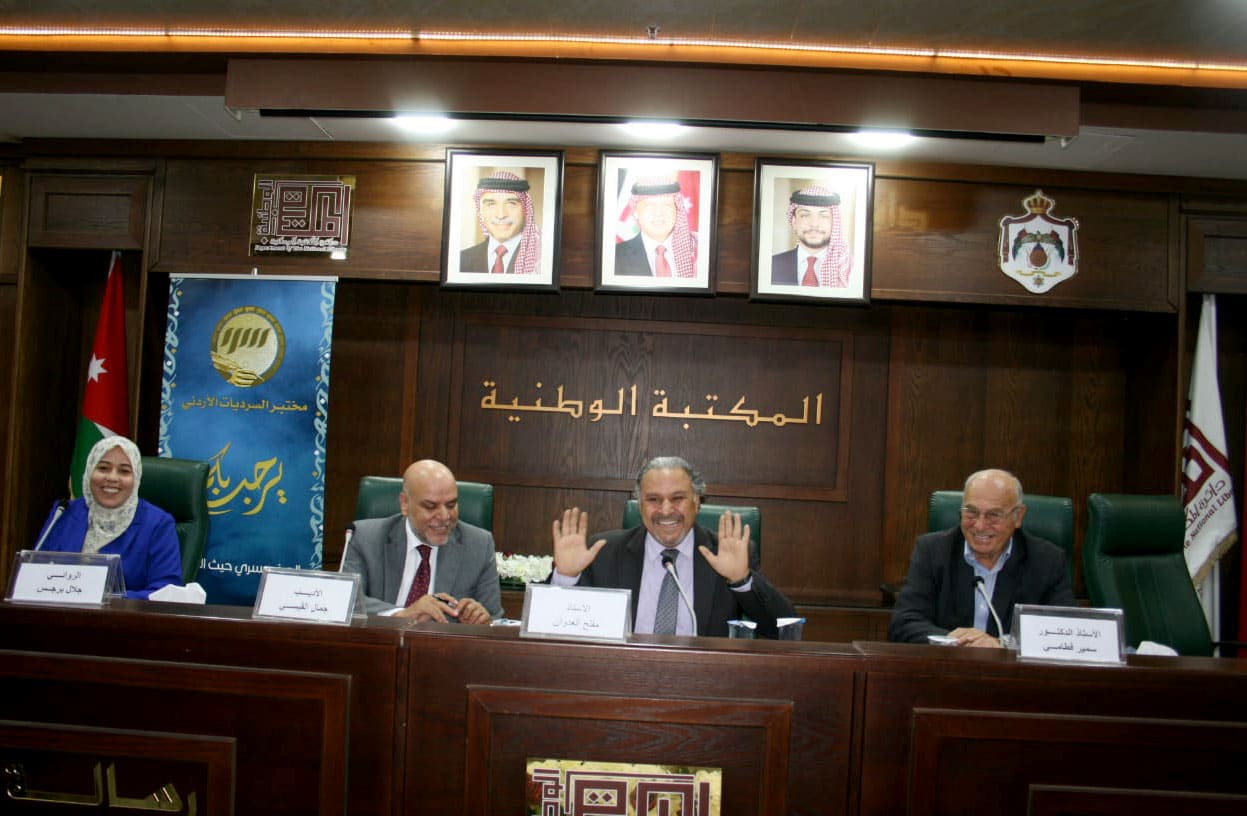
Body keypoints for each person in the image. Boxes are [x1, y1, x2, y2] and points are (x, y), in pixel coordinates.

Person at [549, 456, 795, 638]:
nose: (666, 510)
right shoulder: (603, 552)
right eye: (653, 499)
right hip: (621, 678)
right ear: (640, 504)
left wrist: (741, 581)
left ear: (697, 502)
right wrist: (565, 578)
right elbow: (549, 626)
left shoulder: (727, 555)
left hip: (702, 683)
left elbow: (785, 629)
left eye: (678, 498)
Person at [888, 468, 1076, 647]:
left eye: (994, 515)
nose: (979, 525)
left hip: (1011, 669)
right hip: (948, 665)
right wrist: (951, 640)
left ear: (1018, 516)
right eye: (971, 512)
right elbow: (903, 623)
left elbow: (1063, 633)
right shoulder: (932, 551)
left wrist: (1002, 644)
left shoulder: (1047, 561)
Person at [341, 459, 502, 622]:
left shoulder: (479, 545)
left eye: (451, 505)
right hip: (381, 637)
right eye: (431, 506)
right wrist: (401, 613)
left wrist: (482, 619)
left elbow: (495, 618)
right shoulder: (365, 537)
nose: (444, 516)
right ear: (405, 504)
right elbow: (345, 600)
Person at [34, 435, 183, 600]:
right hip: (59, 613)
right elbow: (35, 574)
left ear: (136, 478)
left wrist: (103, 598)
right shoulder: (64, 512)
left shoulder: (158, 524)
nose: (112, 478)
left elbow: (165, 592)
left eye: (124, 471)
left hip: (124, 615)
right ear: (89, 471)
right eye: (103, 468)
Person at [458, 171, 542, 275]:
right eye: (491, 204)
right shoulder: (461, 260)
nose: (501, 215)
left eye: (511, 203)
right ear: (480, 211)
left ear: (526, 210)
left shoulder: (541, 259)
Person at [614, 177, 698, 278]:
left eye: (666, 205)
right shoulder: (614, 256)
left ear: (677, 210)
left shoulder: (697, 250)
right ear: (635, 212)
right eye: (649, 206)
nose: (659, 213)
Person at [770, 185, 851, 287]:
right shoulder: (771, 265)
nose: (814, 224)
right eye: (805, 215)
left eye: (823, 216)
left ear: (834, 223)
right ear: (794, 222)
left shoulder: (849, 269)